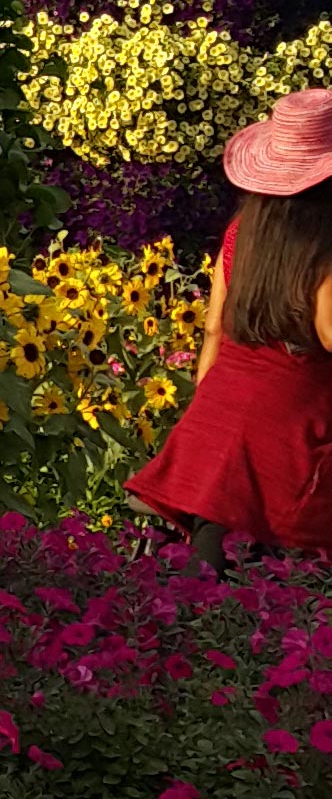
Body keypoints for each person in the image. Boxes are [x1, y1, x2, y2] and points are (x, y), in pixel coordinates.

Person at [127, 93, 332, 556]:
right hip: (287, 438)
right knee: (279, 596)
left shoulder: (245, 229)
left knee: (206, 583)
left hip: (216, 426)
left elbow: (216, 329)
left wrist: (207, 421)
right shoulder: (324, 245)